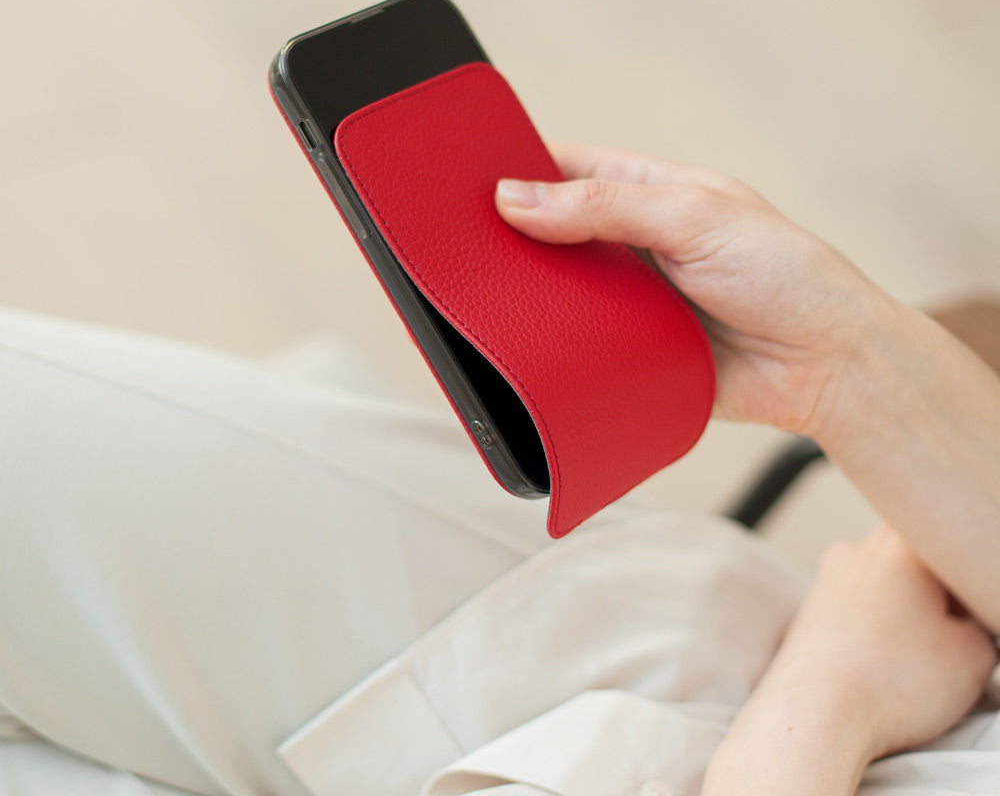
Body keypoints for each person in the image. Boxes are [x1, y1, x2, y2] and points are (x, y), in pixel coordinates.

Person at [0, 145, 997, 796]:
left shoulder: (838, 687)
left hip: (807, 695)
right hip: (635, 651)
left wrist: (831, 699)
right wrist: (845, 363)